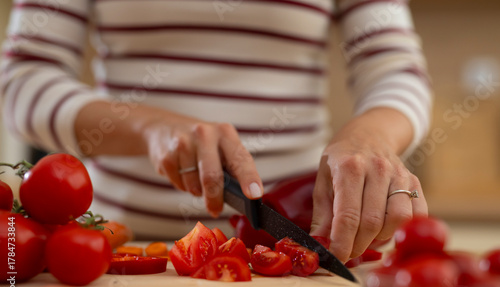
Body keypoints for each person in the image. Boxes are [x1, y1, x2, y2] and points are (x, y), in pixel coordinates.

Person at [1, 0, 431, 263]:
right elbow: (21, 79)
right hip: (116, 250)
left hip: (295, 243)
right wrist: (150, 128)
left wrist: (368, 138)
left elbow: (397, 71)